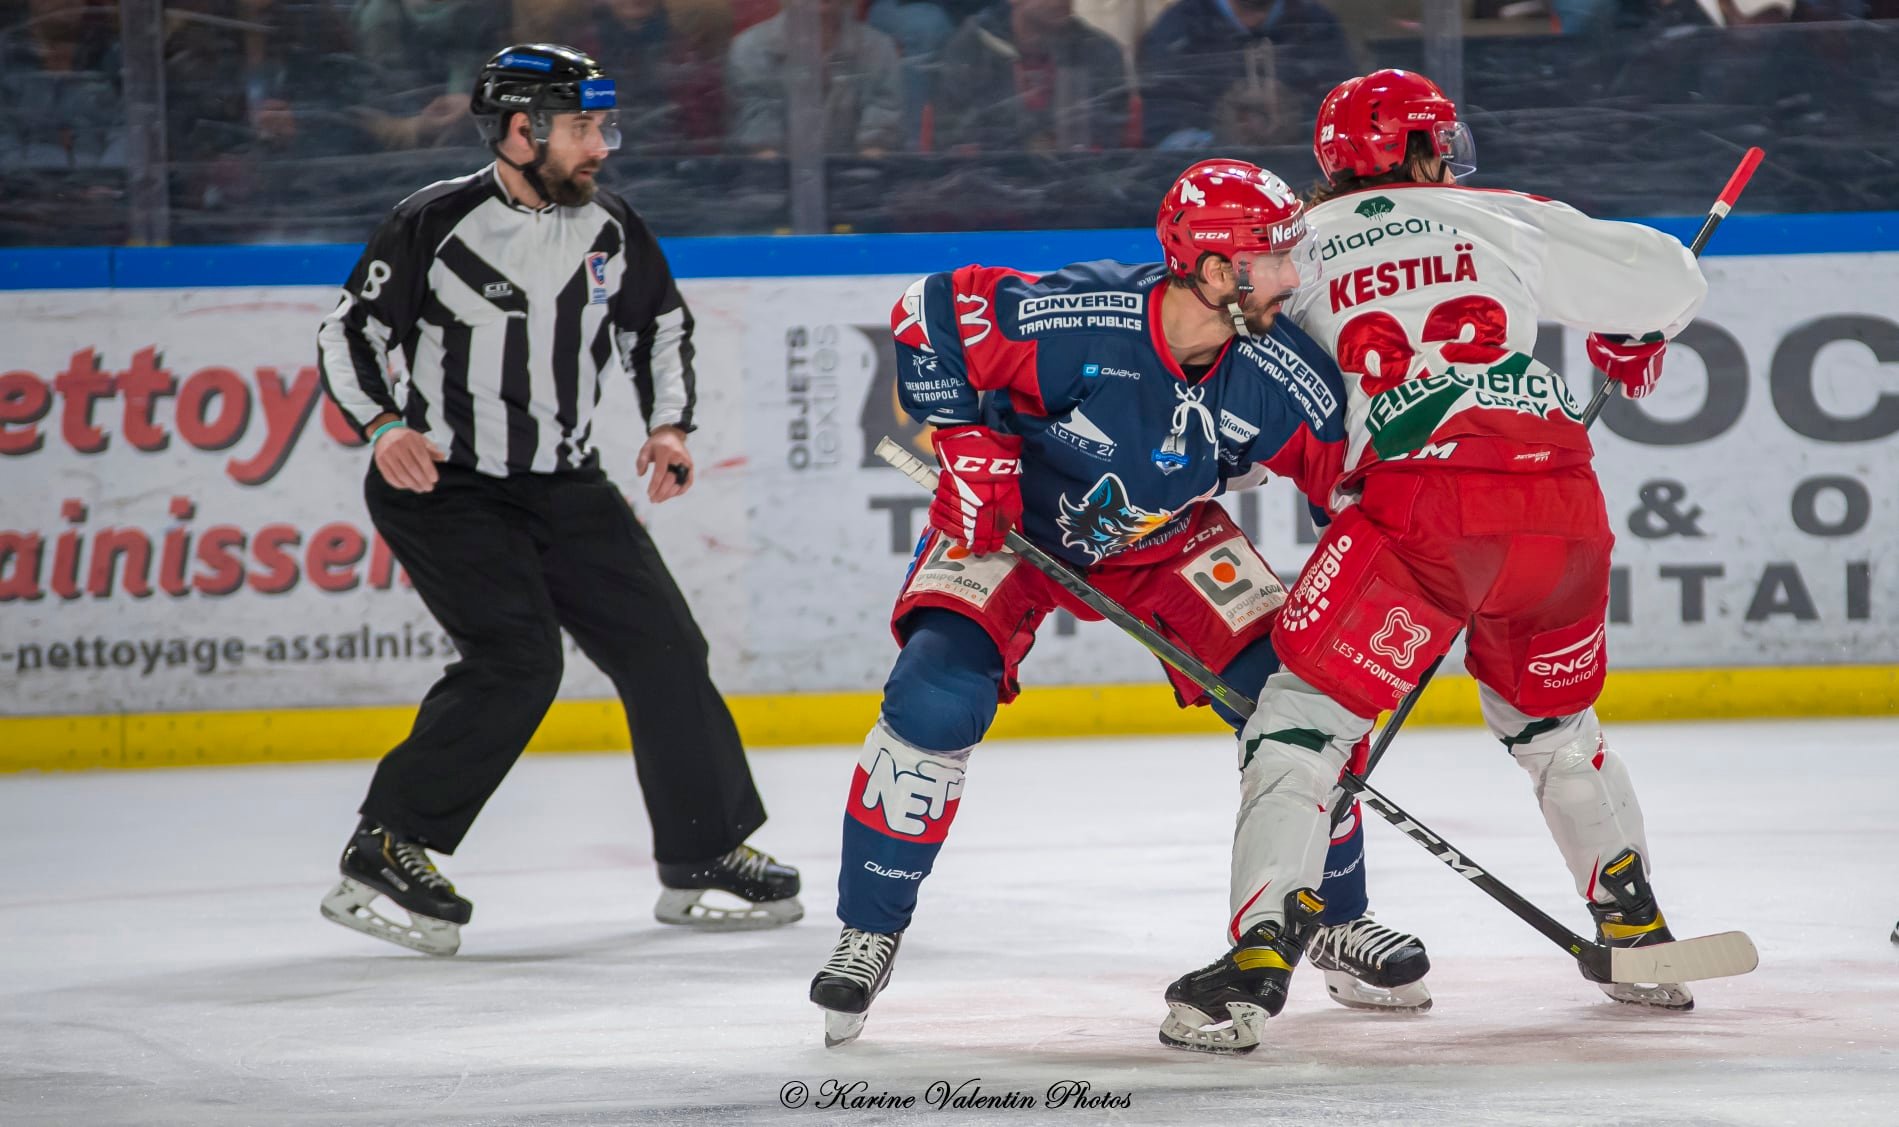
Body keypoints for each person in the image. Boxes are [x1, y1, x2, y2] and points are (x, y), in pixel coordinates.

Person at [806, 158, 1433, 1049]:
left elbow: (1349, 484)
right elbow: (925, 311)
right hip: (1013, 523)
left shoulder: (1281, 371)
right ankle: (869, 927)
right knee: (932, 697)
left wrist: (1415, 545)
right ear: (1215, 270)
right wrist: (967, 442)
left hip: (1166, 540)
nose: (1295, 279)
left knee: (1296, 698)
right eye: (1274, 258)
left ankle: (1326, 914)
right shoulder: (1079, 315)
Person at [1159, 69, 1710, 1053]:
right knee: (1554, 724)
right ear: (1422, 145)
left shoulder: (1293, 246)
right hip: (1561, 502)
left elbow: (1237, 384)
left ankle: (1254, 963)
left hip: (1421, 510)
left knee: (1299, 726)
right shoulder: (1499, 213)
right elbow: (1670, 278)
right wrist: (1632, 338)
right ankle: (1634, 923)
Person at [313, 43, 801, 957]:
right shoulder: (436, 221)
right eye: (582, 127)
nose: (602, 146)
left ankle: (701, 855)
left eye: (603, 126)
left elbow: (659, 325)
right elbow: (347, 334)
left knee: (665, 648)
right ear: (518, 131)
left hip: (566, 484)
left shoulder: (609, 225)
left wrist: (670, 427)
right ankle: (385, 843)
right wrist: (383, 427)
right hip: (446, 487)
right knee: (519, 660)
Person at [933, 0, 1130, 153]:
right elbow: (952, 141)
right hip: (992, 194)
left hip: (1079, 195)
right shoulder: (971, 49)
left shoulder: (1099, 51)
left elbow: (1112, 146)